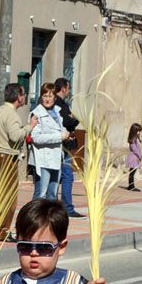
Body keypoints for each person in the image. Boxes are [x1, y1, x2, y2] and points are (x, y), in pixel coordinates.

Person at [27, 83, 68, 203]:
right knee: (41, 195)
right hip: (43, 159)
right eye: (45, 96)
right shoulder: (36, 113)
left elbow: (59, 129)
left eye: (50, 96)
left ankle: (50, 221)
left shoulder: (57, 112)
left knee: (52, 195)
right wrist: (59, 136)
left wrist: (65, 135)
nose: (47, 99)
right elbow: (36, 138)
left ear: (55, 98)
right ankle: (34, 219)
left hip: (55, 158)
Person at [0, 83, 29, 193]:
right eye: (24, 94)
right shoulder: (11, 113)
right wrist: (29, 127)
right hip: (7, 158)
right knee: (8, 193)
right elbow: (15, 136)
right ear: (19, 97)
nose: (25, 97)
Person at [55, 77, 84, 214]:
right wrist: (74, 119)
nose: (69, 91)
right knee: (67, 176)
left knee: (62, 176)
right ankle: (67, 208)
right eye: (68, 88)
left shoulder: (62, 103)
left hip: (63, 143)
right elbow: (68, 121)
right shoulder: (59, 104)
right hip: (62, 144)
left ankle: (60, 207)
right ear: (63, 88)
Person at [123, 121, 142, 190]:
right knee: (132, 172)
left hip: (135, 157)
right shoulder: (133, 139)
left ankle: (131, 186)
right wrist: (140, 156)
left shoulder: (135, 139)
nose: (139, 133)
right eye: (138, 131)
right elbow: (134, 149)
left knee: (132, 172)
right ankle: (131, 186)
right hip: (134, 157)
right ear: (135, 131)